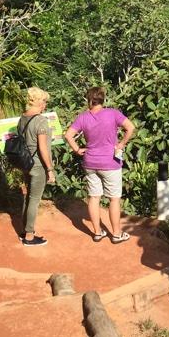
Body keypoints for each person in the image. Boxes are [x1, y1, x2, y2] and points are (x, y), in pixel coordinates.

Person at [65, 86, 136, 243]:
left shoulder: (83, 117)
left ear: (89, 99)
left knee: (94, 197)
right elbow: (130, 127)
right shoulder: (113, 113)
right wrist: (121, 144)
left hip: (90, 161)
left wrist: (77, 149)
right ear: (103, 99)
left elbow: (68, 135)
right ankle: (116, 234)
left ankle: (97, 232)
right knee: (114, 199)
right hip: (110, 162)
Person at [18, 86, 56, 246]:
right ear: (38, 102)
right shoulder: (40, 120)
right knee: (34, 199)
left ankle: (25, 229)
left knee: (28, 197)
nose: (45, 105)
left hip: (26, 162)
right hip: (38, 165)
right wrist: (50, 169)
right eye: (44, 101)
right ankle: (29, 235)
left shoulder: (22, 118)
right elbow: (42, 148)